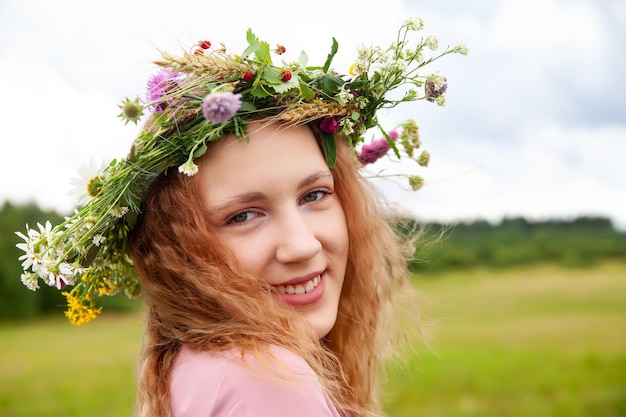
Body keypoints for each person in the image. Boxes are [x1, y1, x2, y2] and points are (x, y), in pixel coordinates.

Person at [16, 18, 467, 417]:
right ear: (178, 248)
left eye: (314, 194)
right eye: (244, 215)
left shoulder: (202, 363)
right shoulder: (267, 380)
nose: (303, 245)